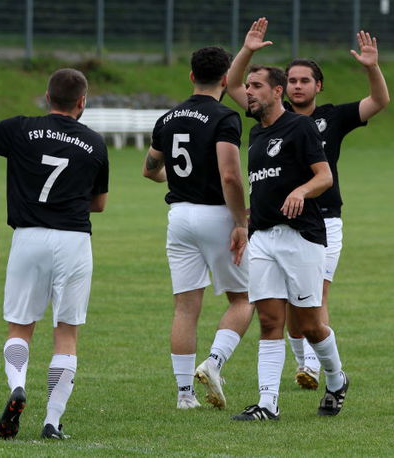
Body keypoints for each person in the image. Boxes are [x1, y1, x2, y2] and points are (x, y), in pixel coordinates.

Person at [227, 18, 389, 391]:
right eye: (293, 80)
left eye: (305, 80)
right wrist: (248, 50)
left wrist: (372, 67)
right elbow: (235, 85)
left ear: (318, 86)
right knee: (283, 311)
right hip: (272, 224)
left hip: (323, 220)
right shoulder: (267, 116)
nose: (299, 86)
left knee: (316, 298)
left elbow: (380, 101)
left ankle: (315, 367)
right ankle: (305, 366)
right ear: (282, 88)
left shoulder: (330, 117)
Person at [0, 68, 109, 440]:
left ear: (47, 96)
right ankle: (53, 422)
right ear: (82, 102)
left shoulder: (22, 127)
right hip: (73, 240)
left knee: (20, 327)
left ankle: (17, 387)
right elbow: (99, 204)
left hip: (28, 237)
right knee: (66, 334)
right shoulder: (95, 142)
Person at [224, 39, 348, 420]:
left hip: (302, 237)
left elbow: (324, 176)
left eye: (256, 86)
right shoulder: (258, 133)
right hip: (264, 237)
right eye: (247, 88)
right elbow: (262, 184)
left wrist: (301, 190)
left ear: (277, 91)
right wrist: (243, 224)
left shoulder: (301, 127)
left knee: (310, 325)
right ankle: (267, 404)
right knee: (270, 321)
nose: (248, 92)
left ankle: (336, 378)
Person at [142, 46, 253, 410]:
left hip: (179, 218)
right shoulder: (226, 117)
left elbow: (150, 168)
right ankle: (215, 362)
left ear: (191, 76)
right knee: (244, 298)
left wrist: (171, 178)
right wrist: (240, 220)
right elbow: (230, 175)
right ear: (225, 79)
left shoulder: (168, 118)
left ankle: (184, 395)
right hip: (216, 214)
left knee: (185, 308)